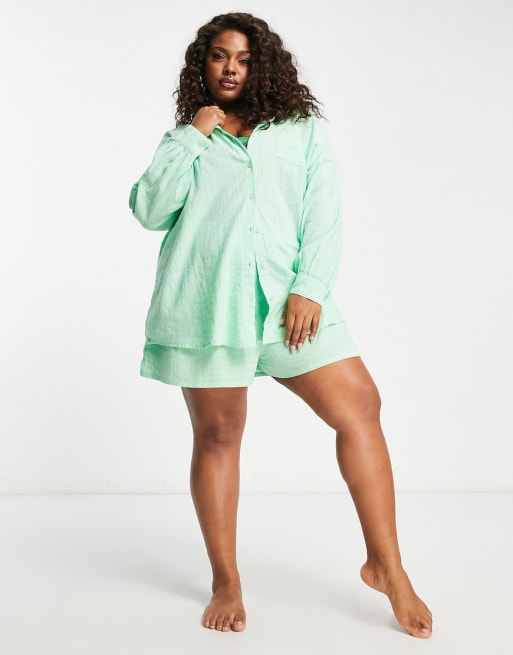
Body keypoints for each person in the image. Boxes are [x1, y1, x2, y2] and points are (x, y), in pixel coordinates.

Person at [128, 12, 432, 638]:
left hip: (288, 307)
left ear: (262, 64)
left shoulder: (300, 129)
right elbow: (149, 211)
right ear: (203, 64)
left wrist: (310, 289)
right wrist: (191, 137)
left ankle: (387, 566)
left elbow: (323, 214)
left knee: (360, 407)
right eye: (219, 56)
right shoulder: (189, 137)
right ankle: (226, 579)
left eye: (243, 57)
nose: (231, 67)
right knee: (219, 436)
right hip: (209, 306)